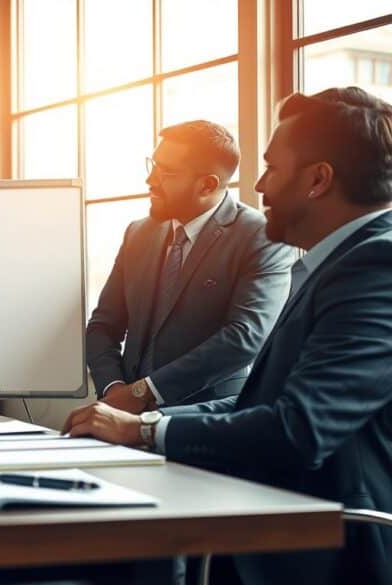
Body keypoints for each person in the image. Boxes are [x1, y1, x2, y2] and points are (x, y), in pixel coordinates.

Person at [64, 87, 392, 585]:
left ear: (319, 180)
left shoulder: (376, 266)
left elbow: (297, 429)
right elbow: (263, 400)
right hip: (273, 513)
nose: (259, 186)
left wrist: (144, 428)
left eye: (272, 169)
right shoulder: (338, 265)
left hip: (323, 543)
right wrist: (139, 421)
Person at [88, 120, 294, 415]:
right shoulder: (138, 233)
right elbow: (103, 325)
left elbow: (244, 337)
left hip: (207, 422)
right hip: (120, 415)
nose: (151, 180)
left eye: (166, 172)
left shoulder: (262, 237)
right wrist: (114, 389)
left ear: (207, 184)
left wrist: (141, 393)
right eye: (153, 165)